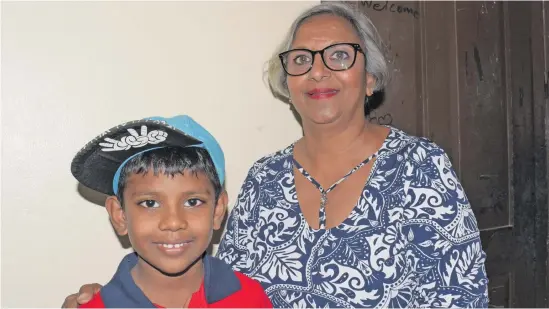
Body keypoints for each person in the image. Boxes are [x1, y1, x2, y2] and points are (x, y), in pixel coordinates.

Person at [63, 2, 489, 308]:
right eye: (301, 59)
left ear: (371, 77)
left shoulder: (420, 167)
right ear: (287, 82)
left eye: (339, 55)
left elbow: (463, 296)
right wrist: (104, 297)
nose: (318, 70)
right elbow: (212, 285)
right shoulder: (264, 179)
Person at [69, 115, 273, 308]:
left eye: (193, 202)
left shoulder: (250, 298)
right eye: (150, 203)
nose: (173, 222)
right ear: (119, 215)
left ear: (218, 210)